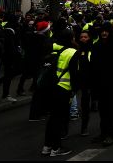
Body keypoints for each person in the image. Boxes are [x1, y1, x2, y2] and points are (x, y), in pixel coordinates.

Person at [41, 29, 79, 157]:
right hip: (64, 88)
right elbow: (74, 74)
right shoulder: (72, 52)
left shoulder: (56, 49)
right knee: (60, 119)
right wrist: (74, 90)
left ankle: (47, 146)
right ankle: (56, 148)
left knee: (52, 118)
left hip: (52, 87)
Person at [89, 22, 113, 146]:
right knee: (102, 109)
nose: (104, 33)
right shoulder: (96, 46)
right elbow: (93, 66)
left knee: (111, 109)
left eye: (106, 31)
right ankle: (103, 132)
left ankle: (110, 133)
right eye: (102, 31)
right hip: (100, 83)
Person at [75, 29, 93, 137]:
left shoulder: (92, 49)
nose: (83, 39)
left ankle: (84, 127)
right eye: (81, 37)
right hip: (77, 80)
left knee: (85, 105)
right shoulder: (76, 50)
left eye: (85, 37)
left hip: (88, 81)